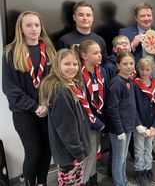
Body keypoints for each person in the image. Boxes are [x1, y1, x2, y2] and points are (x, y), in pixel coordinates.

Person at [2, 11, 56, 186]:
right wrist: (34, 106)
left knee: (47, 150)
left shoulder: (48, 50)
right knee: (33, 151)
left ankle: (42, 182)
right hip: (24, 111)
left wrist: (45, 104)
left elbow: (55, 81)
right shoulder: (11, 51)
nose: (34, 29)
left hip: (47, 108)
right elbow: (9, 88)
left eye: (37, 25)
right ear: (21, 28)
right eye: (29, 25)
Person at [39, 49, 104, 185]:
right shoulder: (61, 91)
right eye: (67, 64)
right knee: (70, 182)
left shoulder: (71, 84)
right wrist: (78, 152)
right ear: (57, 65)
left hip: (71, 151)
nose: (72, 68)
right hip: (70, 153)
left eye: (75, 64)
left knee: (75, 182)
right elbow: (66, 128)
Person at [106, 51, 144, 186]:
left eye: (131, 63)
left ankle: (124, 181)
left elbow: (132, 106)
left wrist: (137, 123)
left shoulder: (129, 81)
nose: (129, 66)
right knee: (118, 159)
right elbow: (112, 109)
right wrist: (119, 130)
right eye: (125, 64)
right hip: (119, 129)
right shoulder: (116, 83)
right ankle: (120, 183)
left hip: (128, 127)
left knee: (123, 158)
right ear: (118, 65)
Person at [73, 40, 108, 185]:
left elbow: (104, 94)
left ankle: (92, 178)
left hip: (100, 118)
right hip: (86, 121)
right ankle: (85, 180)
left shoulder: (102, 71)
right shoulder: (78, 74)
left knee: (95, 151)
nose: (100, 55)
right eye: (95, 53)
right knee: (89, 153)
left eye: (100, 52)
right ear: (84, 56)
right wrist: (91, 118)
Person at [119, 2, 155, 84]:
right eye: (142, 16)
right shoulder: (125, 33)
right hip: (134, 80)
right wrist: (132, 45)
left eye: (149, 15)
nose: (146, 18)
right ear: (136, 18)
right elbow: (119, 56)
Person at [133, 57, 155, 186]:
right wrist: (139, 126)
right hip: (139, 125)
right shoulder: (134, 85)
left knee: (149, 148)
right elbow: (132, 107)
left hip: (151, 125)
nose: (144, 72)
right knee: (139, 150)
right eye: (142, 69)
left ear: (152, 70)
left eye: (147, 69)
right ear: (138, 69)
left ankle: (148, 169)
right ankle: (140, 172)